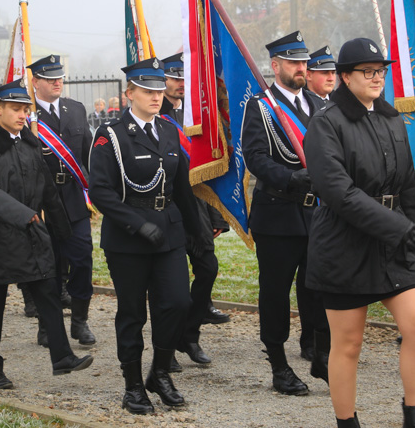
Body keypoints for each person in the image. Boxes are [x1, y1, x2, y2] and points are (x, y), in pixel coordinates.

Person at [304, 37, 415, 428]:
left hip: (392, 244)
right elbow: (339, 193)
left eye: (381, 71)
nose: (377, 78)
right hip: (344, 244)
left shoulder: (391, 118)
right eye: (368, 71)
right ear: (345, 76)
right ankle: (347, 422)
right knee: (348, 343)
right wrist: (397, 227)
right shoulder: (325, 123)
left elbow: (407, 182)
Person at [0, 80, 94, 389]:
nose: (23, 115)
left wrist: (62, 230)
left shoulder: (30, 144)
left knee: (48, 294)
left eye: (25, 110)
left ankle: (62, 357)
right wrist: (24, 215)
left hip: (31, 235)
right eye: (16, 110)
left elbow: (47, 189)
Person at [89, 57, 202, 414]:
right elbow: (101, 191)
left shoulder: (168, 130)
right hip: (128, 239)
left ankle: (160, 372)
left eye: (158, 90)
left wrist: (198, 232)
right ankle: (133, 385)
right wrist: (137, 224)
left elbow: (181, 186)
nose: (156, 96)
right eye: (147, 91)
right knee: (133, 313)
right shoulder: (110, 135)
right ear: (129, 94)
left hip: (167, 231)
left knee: (177, 304)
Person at [241, 31, 330, 396]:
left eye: (303, 62)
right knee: (275, 293)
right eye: (293, 62)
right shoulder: (260, 106)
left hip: (319, 216)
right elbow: (256, 157)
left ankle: (319, 353)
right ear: (275, 66)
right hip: (279, 214)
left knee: (319, 288)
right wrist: (293, 178)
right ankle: (278, 363)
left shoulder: (320, 104)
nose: (301, 68)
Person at [159, 52, 230, 368]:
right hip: (166, 211)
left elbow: (208, 170)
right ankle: (168, 345)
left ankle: (189, 335)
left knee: (208, 268)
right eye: (174, 78)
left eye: (184, 78)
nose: (179, 84)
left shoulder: (195, 116)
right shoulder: (151, 114)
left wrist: (216, 216)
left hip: (197, 210)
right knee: (166, 285)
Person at [28, 55, 96, 346]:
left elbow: (87, 154)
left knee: (82, 261)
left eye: (59, 76)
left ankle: (79, 321)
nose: (57, 82)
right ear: (35, 82)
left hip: (72, 199)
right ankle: (47, 324)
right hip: (42, 203)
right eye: (49, 77)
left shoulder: (76, 110)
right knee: (47, 266)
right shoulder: (27, 115)